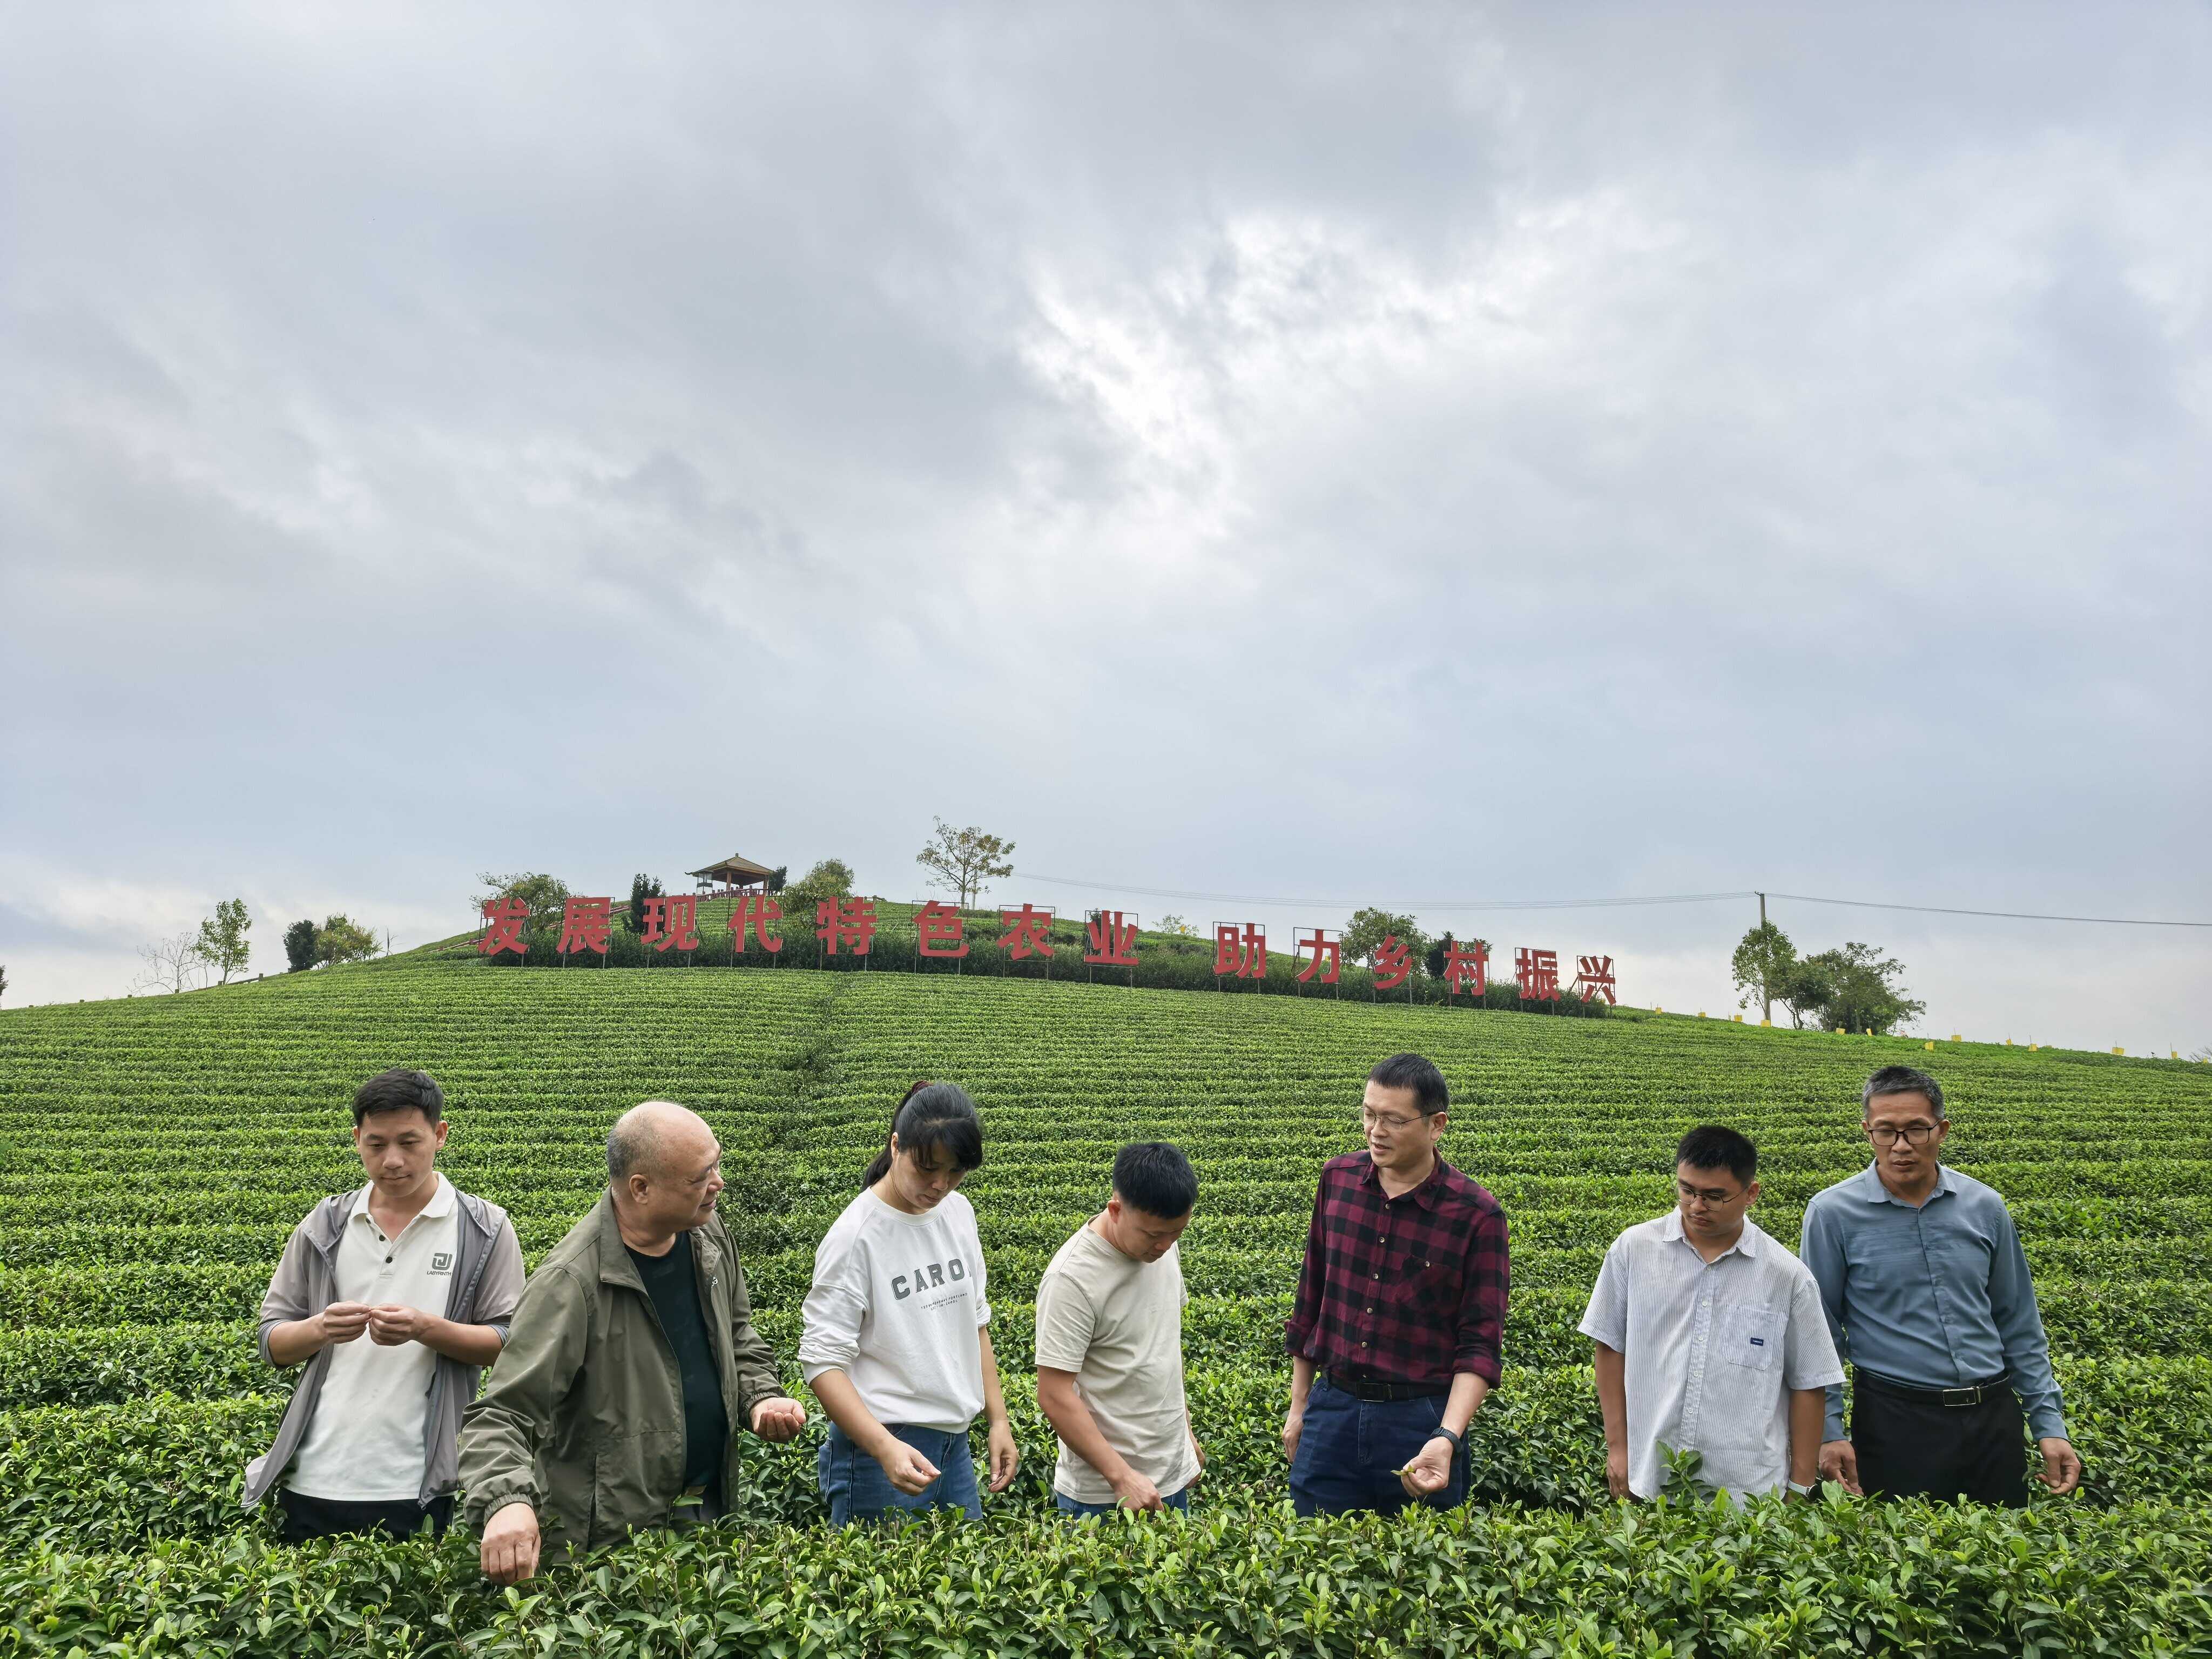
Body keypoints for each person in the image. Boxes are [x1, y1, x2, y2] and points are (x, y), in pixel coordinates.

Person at [460, 1100, 806, 1583]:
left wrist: (761, 1395)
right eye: (700, 1177)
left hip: (708, 1519)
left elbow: (738, 1333)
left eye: (717, 1165)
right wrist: (507, 1502)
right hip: (609, 1551)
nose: (718, 1184)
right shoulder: (571, 1283)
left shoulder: (707, 1235)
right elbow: (502, 1415)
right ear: (641, 1188)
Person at [244, 1068, 524, 1542]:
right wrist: (321, 1328)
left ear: (440, 1136)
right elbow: (273, 1342)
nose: (392, 1160)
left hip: (422, 1484)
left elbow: (508, 1342)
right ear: (357, 1140)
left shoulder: (485, 1229)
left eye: (409, 1143)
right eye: (376, 1145)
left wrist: (424, 1328)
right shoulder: (325, 1225)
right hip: (313, 1479)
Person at [1802, 1064, 2083, 1506]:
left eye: (1917, 1130)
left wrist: (2049, 1425)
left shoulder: (1985, 1206)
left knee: (2005, 1553)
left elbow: (2018, 1321)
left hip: (1994, 1416)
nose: (1901, 1146)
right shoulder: (1832, 1213)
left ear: (1942, 1129)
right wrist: (1830, 1431)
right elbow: (1821, 1332)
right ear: (1866, 1132)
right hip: (1897, 1419)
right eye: (1885, 1132)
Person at [1282, 1051, 1508, 1516]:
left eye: (1392, 1120)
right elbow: (1311, 1298)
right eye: (1368, 1114)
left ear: (1436, 1124)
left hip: (1419, 1419)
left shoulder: (1477, 1216)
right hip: (1334, 1408)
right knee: (1314, 1555)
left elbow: (1480, 1344)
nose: (1375, 1131)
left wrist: (1447, 1436)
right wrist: (1300, 1406)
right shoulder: (1337, 1179)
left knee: (1421, 1571)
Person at [1579, 1126, 1842, 1504]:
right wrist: (1618, 1448)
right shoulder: (1632, 1251)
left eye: (1715, 1197)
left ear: (1751, 1193)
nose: (1697, 1206)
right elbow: (1610, 1348)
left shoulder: (1788, 1277)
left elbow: (1809, 1384)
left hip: (1747, 1491)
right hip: (1649, 1477)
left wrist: (1800, 1486)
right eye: (1688, 1190)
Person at [799, 1081, 1018, 1525]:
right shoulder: (856, 1237)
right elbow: (822, 1363)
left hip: (955, 1443)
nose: (940, 1185)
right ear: (896, 1145)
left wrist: (998, 1420)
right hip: (884, 1445)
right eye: (927, 1169)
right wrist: (883, 1447)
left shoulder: (959, 1213)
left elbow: (976, 1323)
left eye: (955, 1171)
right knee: (879, 1588)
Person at [1035, 1142, 1205, 1517]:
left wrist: (1184, 1437)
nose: (1163, 1246)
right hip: (1101, 1495)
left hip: (1170, 1476)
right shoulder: (1072, 1278)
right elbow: (1053, 1394)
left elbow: (1165, 1347)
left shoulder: (1162, 1248)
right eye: (1152, 1235)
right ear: (1115, 1210)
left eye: (1176, 1233)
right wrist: (1121, 1477)